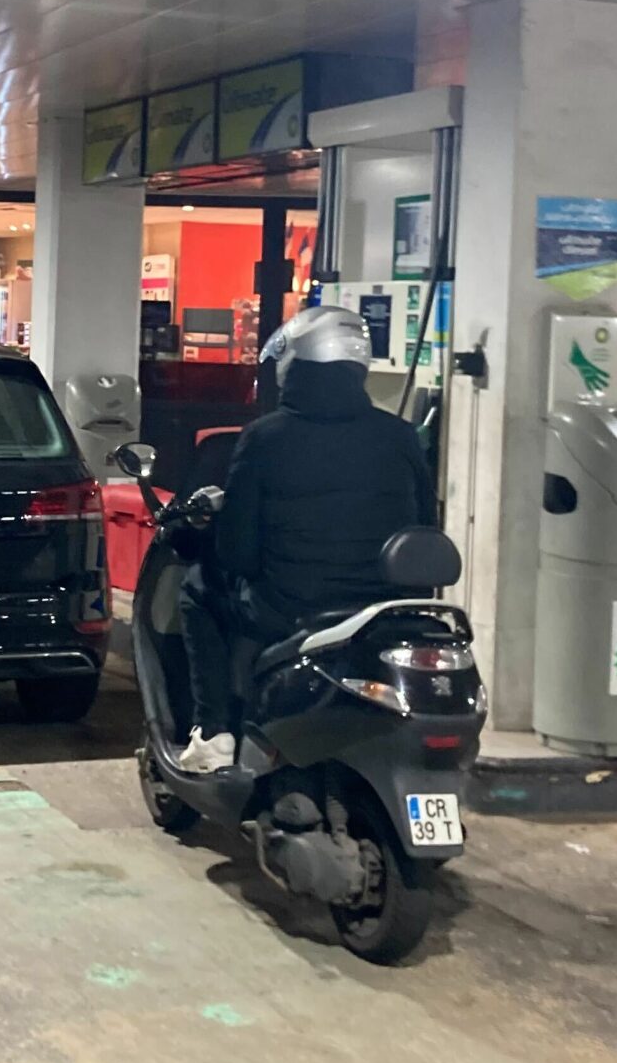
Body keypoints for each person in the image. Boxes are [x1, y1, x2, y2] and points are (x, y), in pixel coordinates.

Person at [178, 306, 435, 772]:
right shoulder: (400, 436)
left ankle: (214, 732)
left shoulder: (264, 438)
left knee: (197, 591)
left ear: (294, 365)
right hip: (382, 610)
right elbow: (423, 526)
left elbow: (237, 552)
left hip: (290, 607)